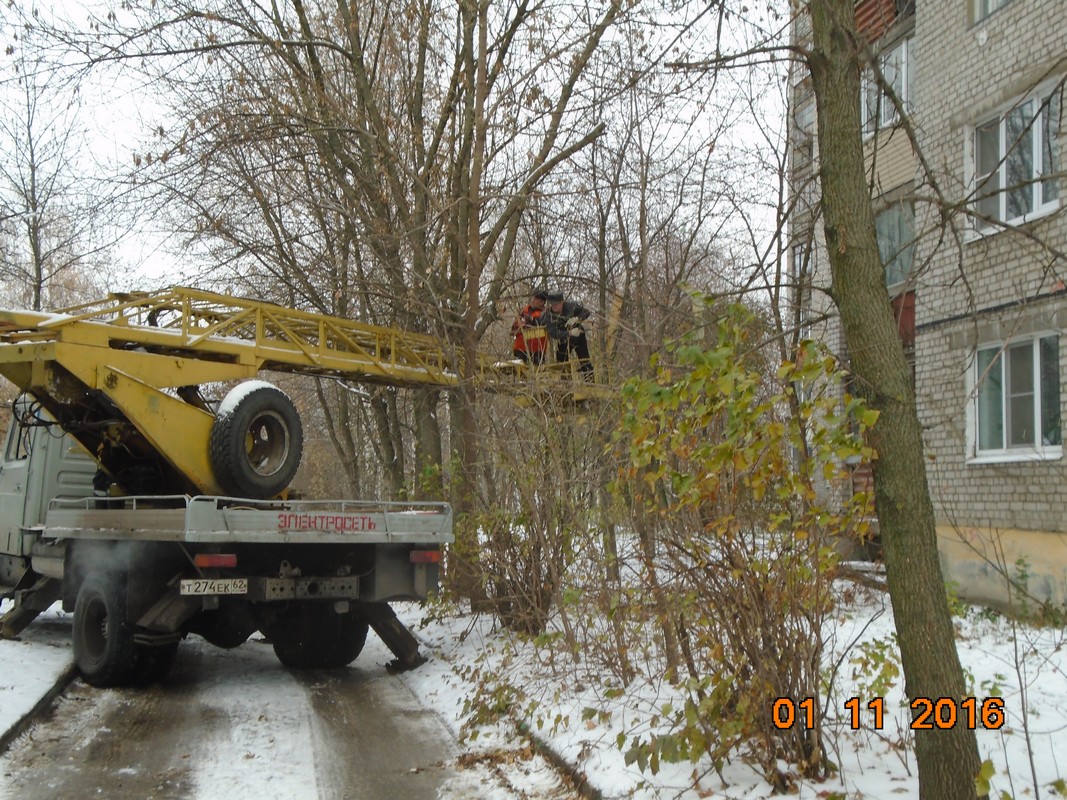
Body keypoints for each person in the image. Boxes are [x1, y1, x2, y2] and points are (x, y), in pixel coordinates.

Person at [543, 291, 593, 379]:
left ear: (562, 302)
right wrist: (569, 333)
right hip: (563, 339)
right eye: (552, 304)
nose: (554, 306)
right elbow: (554, 333)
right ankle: (567, 385)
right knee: (562, 363)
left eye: (557, 304)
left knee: (584, 360)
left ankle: (591, 384)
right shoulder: (549, 316)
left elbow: (586, 312)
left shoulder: (571, 307)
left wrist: (577, 319)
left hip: (578, 336)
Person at [511, 290, 549, 365]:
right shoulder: (524, 311)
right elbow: (514, 325)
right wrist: (522, 325)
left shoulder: (545, 313)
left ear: (542, 302)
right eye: (533, 298)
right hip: (520, 347)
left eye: (535, 299)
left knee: (537, 370)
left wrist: (531, 322)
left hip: (537, 348)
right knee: (519, 371)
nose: (532, 300)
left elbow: (544, 325)